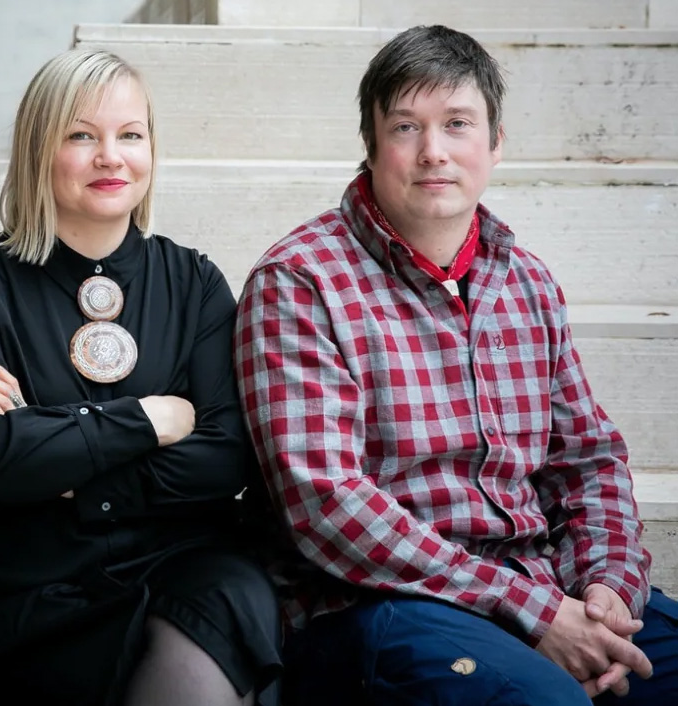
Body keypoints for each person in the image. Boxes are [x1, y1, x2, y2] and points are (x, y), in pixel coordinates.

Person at [234, 24, 678, 705]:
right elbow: (326, 503)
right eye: (406, 126)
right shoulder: (300, 280)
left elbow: (586, 462)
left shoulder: (525, 282)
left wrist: (604, 594)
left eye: (457, 124)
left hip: (541, 589)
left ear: (494, 143)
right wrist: (533, 616)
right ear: (371, 143)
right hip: (373, 604)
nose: (433, 152)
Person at [0, 48, 282, 706]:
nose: (110, 157)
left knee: (210, 633)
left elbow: (225, 458)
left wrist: (57, 454)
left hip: (185, 560)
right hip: (31, 582)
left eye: (130, 135)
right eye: (81, 135)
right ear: (38, 148)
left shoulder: (194, 282)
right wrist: (152, 419)